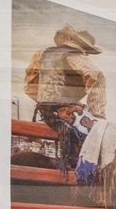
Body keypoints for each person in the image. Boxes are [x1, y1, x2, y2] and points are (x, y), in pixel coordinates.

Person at [22, 26, 108, 177]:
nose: (87, 54)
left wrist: (45, 100)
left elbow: (29, 87)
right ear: (83, 47)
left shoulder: (42, 54)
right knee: (103, 139)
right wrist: (97, 116)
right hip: (66, 114)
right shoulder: (75, 54)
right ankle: (86, 173)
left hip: (46, 112)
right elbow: (97, 76)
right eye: (87, 51)